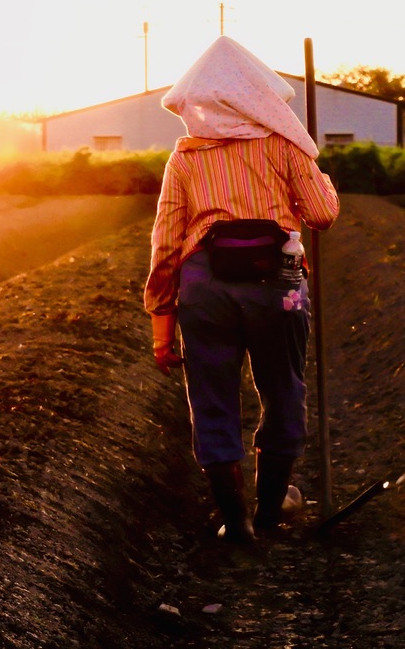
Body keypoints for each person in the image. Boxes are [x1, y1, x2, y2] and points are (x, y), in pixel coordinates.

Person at [144, 35, 340, 543]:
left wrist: (162, 326)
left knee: (211, 399)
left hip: (204, 289)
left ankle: (237, 522)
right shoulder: (283, 146)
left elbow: (166, 244)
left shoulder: (185, 159)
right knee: (283, 389)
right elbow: (321, 214)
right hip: (278, 286)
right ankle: (273, 509)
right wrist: (318, 180)